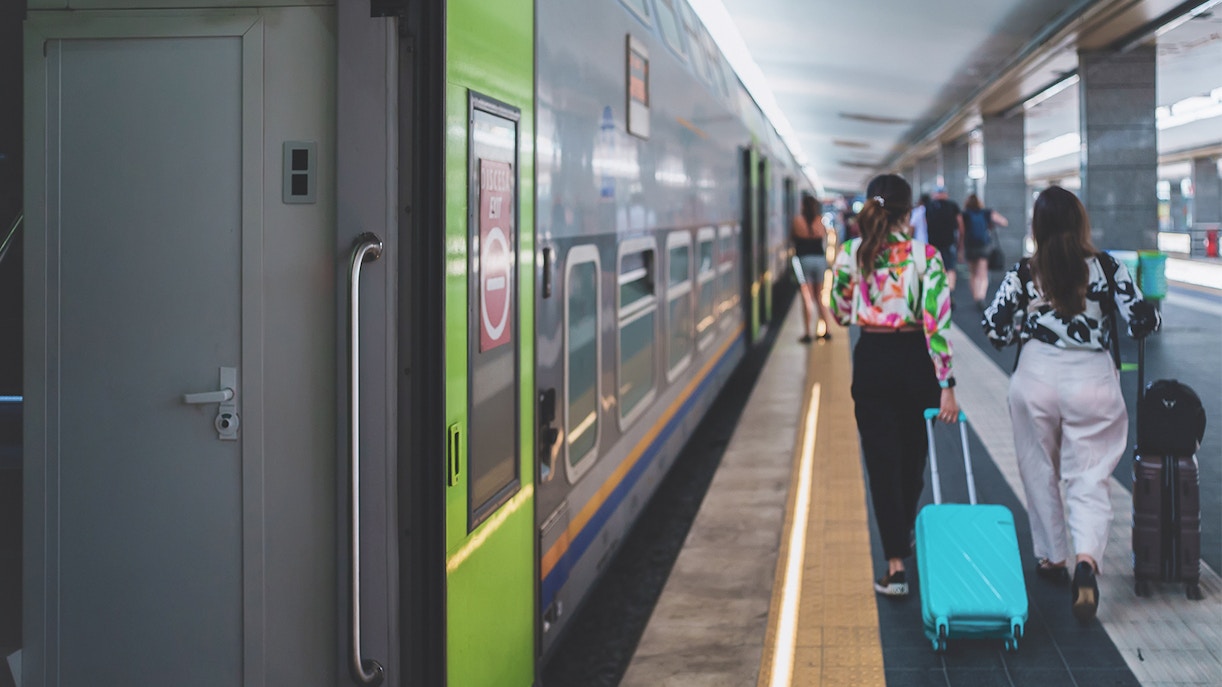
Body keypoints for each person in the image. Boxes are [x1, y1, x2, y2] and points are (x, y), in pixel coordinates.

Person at [981, 186, 1160, 623]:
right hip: (1092, 379)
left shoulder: (1026, 271)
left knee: (1038, 467)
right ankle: (1086, 560)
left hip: (1036, 378)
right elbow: (1143, 321)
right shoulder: (1107, 267)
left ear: (1037, 227)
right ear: (1081, 223)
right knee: (1091, 474)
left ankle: (1052, 557)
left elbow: (996, 331)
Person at [831, 174, 958, 597]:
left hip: (872, 360)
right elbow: (937, 325)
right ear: (909, 213)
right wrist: (947, 383)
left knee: (881, 464)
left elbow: (841, 313)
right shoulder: (927, 257)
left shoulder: (852, 253)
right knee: (912, 460)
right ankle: (903, 531)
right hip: (916, 361)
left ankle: (895, 565)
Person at [792, 193, 834, 342]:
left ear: (803, 206)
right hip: (819, 260)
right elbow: (824, 237)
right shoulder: (819, 221)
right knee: (819, 296)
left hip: (803, 260)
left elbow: (794, 237)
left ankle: (808, 333)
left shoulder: (798, 221)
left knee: (807, 297)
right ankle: (827, 330)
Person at [961, 193, 1009, 309]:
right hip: (983, 246)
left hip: (970, 246)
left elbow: (961, 232)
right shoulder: (986, 213)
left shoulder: (965, 214)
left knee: (972, 273)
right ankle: (981, 296)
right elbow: (1004, 222)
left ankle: (976, 296)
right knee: (982, 274)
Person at [924, 186, 963, 292]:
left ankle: (938, 289)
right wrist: (960, 243)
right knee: (950, 268)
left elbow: (925, 223)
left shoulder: (929, 206)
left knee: (935, 267)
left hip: (933, 242)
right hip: (949, 241)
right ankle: (949, 290)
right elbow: (960, 225)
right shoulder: (952, 205)